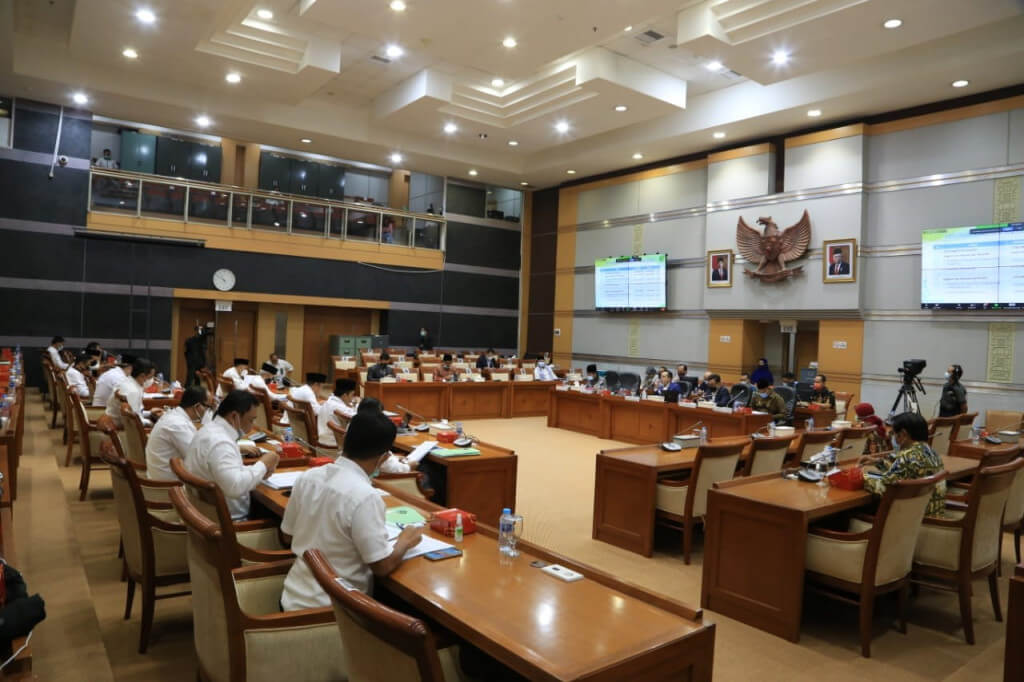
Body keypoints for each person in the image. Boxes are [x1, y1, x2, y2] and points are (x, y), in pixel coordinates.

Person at [279, 411, 425, 610]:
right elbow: (381, 566)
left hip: (291, 597)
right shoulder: (365, 496)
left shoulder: (308, 477)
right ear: (383, 458)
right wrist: (405, 542)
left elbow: (287, 536)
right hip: (334, 612)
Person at [184, 390, 280, 520]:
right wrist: (263, 464)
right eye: (251, 420)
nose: (251, 427)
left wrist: (258, 471)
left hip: (206, 516)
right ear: (234, 416)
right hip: (232, 522)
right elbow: (235, 487)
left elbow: (227, 472)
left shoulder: (209, 430)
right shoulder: (221, 443)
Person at [860, 412, 946, 516]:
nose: (893, 438)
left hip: (913, 519)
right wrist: (879, 462)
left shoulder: (907, 457)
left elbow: (884, 489)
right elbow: (906, 471)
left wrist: (862, 478)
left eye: (893, 433)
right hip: (932, 515)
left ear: (903, 434)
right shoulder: (931, 452)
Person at [145, 386, 213, 481]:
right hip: (167, 485)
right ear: (197, 406)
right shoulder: (178, 425)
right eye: (208, 407)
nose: (208, 412)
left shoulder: (175, 416)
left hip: (160, 475)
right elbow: (198, 460)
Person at [106, 357, 162, 427]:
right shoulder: (132, 391)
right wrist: (154, 424)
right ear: (142, 376)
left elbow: (135, 413)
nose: (152, 380)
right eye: (150, 377)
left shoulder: (129, 382)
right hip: (119, 429)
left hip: (118, 424)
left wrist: (150, 413)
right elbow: (135, 421)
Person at [318, 379, 360, 448]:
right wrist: (357, 404)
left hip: (322, 439)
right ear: (344, 395)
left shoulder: (329, 401)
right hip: (334, 444)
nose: (352, 399)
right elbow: (359, 418)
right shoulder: (339, 407)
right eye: (352, 395)